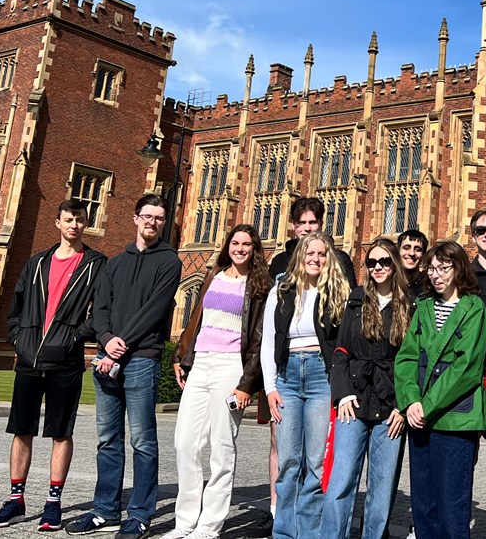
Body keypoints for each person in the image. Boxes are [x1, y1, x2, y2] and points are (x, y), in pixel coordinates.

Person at [0, 200, 107, 530]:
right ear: (58, 223)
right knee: (22, 429)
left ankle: (53, 503)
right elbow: (16, 306)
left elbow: (101, 313)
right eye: (68, 220)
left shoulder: (96, 264)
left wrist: (72, 338)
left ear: (85, 224)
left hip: (65, 361)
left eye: (80, 220)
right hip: (29, 359)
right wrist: (18, 338)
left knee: (60, 432)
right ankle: (16, 501)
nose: (74, 225)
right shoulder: (37, 262)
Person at [67, 194, 182, 537]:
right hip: (108, 357)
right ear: (135, 219)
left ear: (163, 223)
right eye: (147, 216)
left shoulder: (170, 262)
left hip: (141, 359)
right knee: (107, 439)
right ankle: (105, 511)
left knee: (143, 440)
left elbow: (155, 310)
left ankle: (141, 513)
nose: (152, 222)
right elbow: (99, 307)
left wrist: (120, 344)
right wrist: (104, 338)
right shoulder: (115, 263)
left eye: (159, 218)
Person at [168, 224, 273, 539]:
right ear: (228, 245)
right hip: (201, 363)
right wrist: (181, 356)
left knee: (222, 447)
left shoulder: (260, 286)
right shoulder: (214, 276)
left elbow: (258, 339)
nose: (240, 248)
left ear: (254, 249)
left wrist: (246, 383)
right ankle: (184, 522)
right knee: (185, 442)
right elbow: (197, 320)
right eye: (235, 243)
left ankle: (210, 525)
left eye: (246, 244)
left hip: (231, 367)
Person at [394, 241, 486, 539]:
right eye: (432, 268)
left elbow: (466, 367)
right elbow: (407, 357)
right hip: (420, 416)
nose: (436, 275)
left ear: (458, 268)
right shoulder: (423, 307)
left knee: (452, 504)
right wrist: (410, 401)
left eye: (443, 268)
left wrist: (427, 404)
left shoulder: (473, 308)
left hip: (455, 416)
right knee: (424, 503)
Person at [260, 231, 351, 539]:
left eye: (322, 254)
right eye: (310, 253)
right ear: (300, 256)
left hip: (319, 377)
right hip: (287, 376)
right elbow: (269, 341)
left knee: (315, 464)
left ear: (329, 259)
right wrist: (270, 386)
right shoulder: (281, 290)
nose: (315, 258)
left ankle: (309, 533)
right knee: (287, 462)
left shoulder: (336, 292)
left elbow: (343, 342)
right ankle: (284, 533)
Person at [320, 237, 411, 539]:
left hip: (390, 406)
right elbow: (341, 351)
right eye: (372, 262)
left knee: (381, 487)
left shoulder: (408, 305)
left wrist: (403, 405)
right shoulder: (357, 300)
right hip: (354, 400)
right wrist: (343, 392)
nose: (378, 268)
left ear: (394, 264)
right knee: (342, 480)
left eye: (384, 261)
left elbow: (411, 361)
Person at [397, 228, 428, 300]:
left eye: (418, 249)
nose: (412, 253)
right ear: (398, 251)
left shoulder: (429, 286)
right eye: (406, 248)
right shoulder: (389, 284)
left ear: (423, 255)